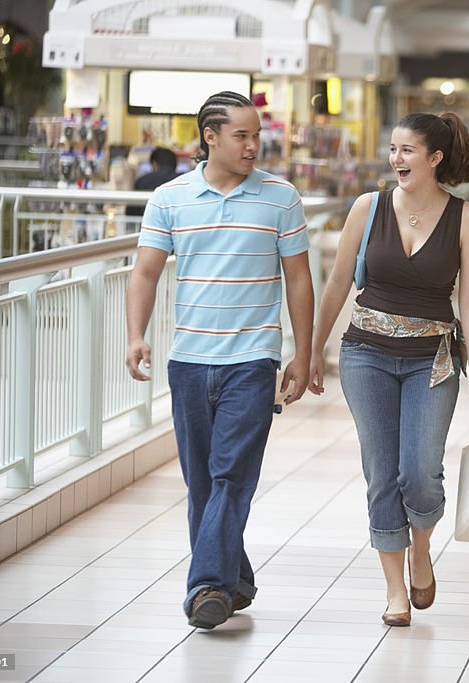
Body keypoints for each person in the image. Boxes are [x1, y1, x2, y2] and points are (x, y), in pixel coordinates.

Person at [125, 91, 314, 630]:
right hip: (188, 361)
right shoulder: (169, 197)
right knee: (203, 484)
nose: (254, 145)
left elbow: (298, 278)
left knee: (232, 475)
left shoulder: (280, 198)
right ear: (210, 137)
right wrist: (134, 335)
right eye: (242, 136)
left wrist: (302, 352)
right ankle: (236, 579)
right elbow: (145, 272)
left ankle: (206, 586)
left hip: (253, 360)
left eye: (257, 135)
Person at [308, 112, 469, 627]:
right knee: (380, 474)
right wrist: (311, 352)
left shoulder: (468, 219)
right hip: (365, 353)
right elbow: (337, 284)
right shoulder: (367, 208)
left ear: (435, 158)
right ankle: (394, 591)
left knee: (420, 473)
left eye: (407, 150)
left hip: (432, 361)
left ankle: (421, 547)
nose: (396, 159)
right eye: (393, 149)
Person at [125, 147, 180, 223]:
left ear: (154, 164)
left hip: (146, 227)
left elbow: (131, 213)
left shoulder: (142, 181)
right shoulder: (184, 181)